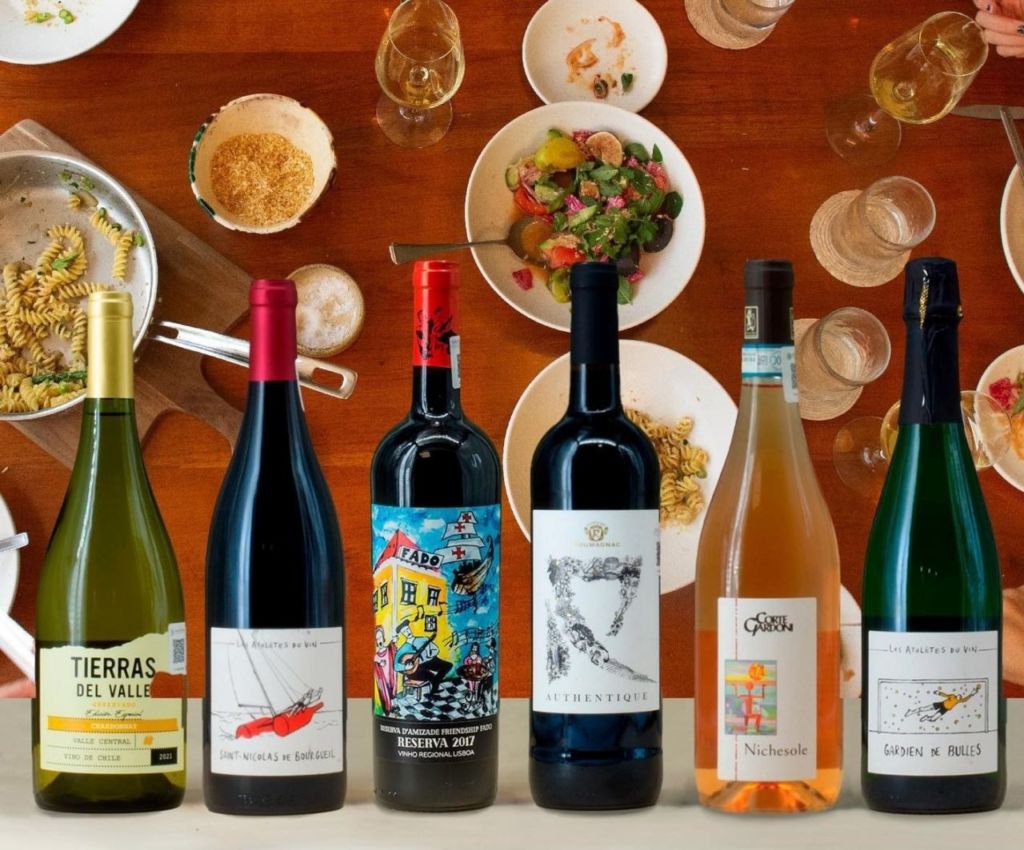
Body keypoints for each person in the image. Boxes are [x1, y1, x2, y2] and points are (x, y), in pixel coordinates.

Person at [393, 619, 452, 695]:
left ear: (410, 629)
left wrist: (430, 654)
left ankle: (435, 682)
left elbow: (436, 649)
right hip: (417, 666)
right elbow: (395, 666)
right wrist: (405, 667)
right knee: (430, 675)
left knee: (448, 665)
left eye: (407, 629)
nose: (407, 632)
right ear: (403, 634)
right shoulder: (403, 648)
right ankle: (434, 690)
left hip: (430, 661)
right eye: (404, 632)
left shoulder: (423, 639)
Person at [373, 626, 398, 715]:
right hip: (382, 679)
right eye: (377, 639)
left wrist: (394, 641)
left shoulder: (388, 649)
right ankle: (388, 708)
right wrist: (379, 662)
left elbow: (393, 648)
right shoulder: (376, 656)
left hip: (391, 676)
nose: (379, 640)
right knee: (385, 692)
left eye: (380, 637)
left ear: (383, 637)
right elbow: (374, 661)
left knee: (393, 689)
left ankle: (394, 705)